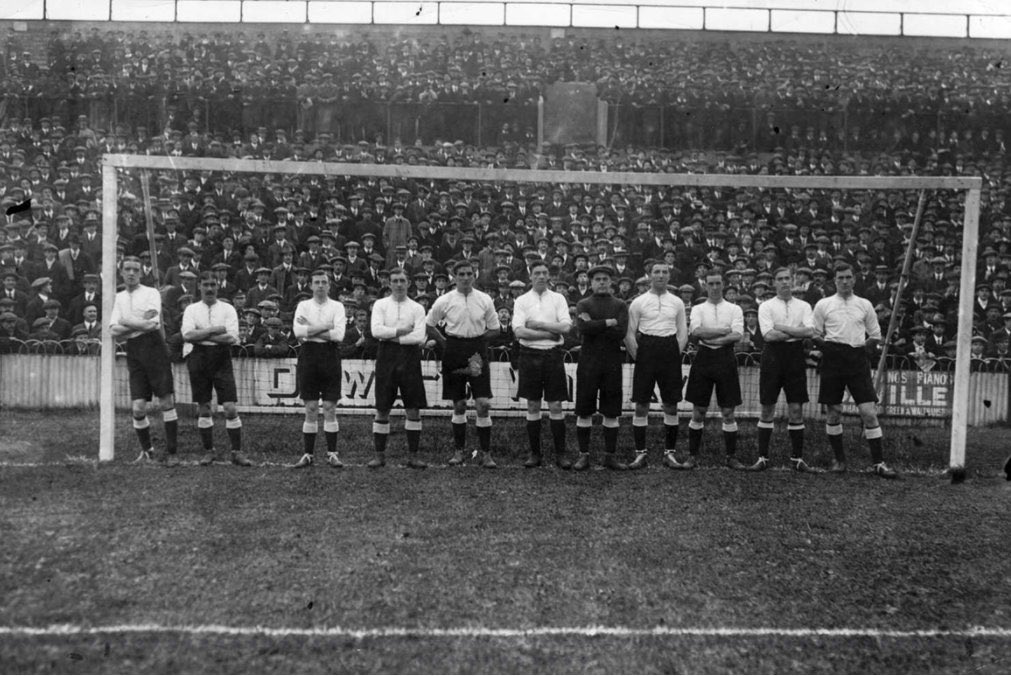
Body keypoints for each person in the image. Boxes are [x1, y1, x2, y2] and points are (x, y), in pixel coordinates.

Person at [812, 262, 898, 478]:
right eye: (840, 278)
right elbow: (814, 334)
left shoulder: (865, 304)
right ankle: (839, 460)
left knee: (868, 412)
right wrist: (828, 349)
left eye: (848, 277)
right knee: (833, 411)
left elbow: (876, 335)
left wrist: (861, 352)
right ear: (834, 280)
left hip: (857, 359)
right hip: (832, 359)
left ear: (854, 279)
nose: (844, 281)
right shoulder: (823, 304)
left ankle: (879, 463)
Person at [425, 259, 501, 468]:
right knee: (458, 404)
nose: (466, 278)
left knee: (483, 403)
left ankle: (486, 453)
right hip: (454, 351)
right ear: (454, 276)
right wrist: (445, 343)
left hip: (476, 353)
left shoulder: (484, 299)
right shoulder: (445, 300)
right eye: (461, 275)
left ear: (474, 275)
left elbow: (495, 329)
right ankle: (459, 451)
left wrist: (478, 342)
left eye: (469, 274)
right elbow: (429, 324)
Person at [108, 255, 179, 465]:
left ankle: (172, 452)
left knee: (166, 401)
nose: (131, 273)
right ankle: (147, 451)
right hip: (134, 351)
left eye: (135, 270)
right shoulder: (118, 297)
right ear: (121, 272)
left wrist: (126, 322)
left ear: (141, 272)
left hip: (155, 348)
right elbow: (113, 330)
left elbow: (153, 325)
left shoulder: (151, 293)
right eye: (127, 269)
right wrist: (136, 324)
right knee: (138, 407)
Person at [180, 273, 252, 467]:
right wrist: (214, 330)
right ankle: (208, 451)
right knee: (203, 407)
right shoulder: (191, 310)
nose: (209, 288)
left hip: (221, 359)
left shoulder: (227, 309)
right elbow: (187, 335)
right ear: (199, 287)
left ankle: (237, 452)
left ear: (218, 286)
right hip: (198, 358)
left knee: (229, 407)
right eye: (205, 285)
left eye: (213, 284)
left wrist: (201, 334)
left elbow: (231, 338)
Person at [624, 261, 689, 470]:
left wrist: (672, 354)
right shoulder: (639, 302)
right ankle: (640, 454)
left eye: (664, 272)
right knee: (641, 404)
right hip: (647, 350)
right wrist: (639, 356)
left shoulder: (677, 302)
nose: (660, 275)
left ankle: (669, 453)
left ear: (669, 276)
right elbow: (629, 333)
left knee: (671, 404)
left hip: (669, 349)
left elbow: (683, 333)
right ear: (649, 275)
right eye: (656, 272)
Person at [752, 267, 815, 472]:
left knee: (796, 409)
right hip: (772, 357)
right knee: (767, 407)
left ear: (793, 280)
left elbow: (810, 331)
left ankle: (797, 458)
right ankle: (763, 457)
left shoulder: (804, 306)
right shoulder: (766, 306)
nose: (785, 282)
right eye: (780, 279)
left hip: (795, 357)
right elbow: (768, 336)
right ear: (775, 283)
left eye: (788, 278)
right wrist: (796, 333)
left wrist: (784, 328)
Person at [511, 259, 572, 469]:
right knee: (533, 404)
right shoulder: (521, 300)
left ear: (549, 276)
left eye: (545, 273)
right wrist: (548, 333)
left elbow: (565, 327)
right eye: (537, 273)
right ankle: (535, 454)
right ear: (530, 275)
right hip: (529, 355)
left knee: (555, 405)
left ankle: (561, 454)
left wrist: (538, 324)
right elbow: (519, 331)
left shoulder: (558, 298)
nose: (541, 276)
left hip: (552, 355)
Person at [683, 271, 746, 470]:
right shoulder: (698, 308)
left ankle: (731, 456)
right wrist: (722, 331)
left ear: (723, 284)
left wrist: (713, 338)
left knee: (728, 411)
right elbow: (696, 332)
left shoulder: (734, 309)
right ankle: (692, 456)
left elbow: (737, 335)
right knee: (699, 411)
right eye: (711, 284)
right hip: (704, 358)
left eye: (718, 283)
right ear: (706, 286)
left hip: (726, 358)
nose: (715, 287)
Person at [368, 267, 429, 469]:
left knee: (413, 407)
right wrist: (401, 331)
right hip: (386, 357)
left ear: (409, 283)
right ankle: (379, 455)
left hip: (410, 358)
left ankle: (413, 456)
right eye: (395, 280)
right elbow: (375, 330)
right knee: (382, 407)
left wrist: (392, 335)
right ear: (389, 283)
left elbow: (419, 336)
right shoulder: (380, 304)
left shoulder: (417, 308)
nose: (399, 284)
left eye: (402, 280)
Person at [573, 265, 629, 471]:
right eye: (597, 279)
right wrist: (607, 322)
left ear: (611, 281)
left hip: (612, 362)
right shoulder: (583, 303)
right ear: (591, 282)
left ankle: (610, 456)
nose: (602, 282)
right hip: (588, 362)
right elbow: (583, 328)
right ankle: (584, 456)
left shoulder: (620, 305)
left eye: (605, 279)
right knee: (584, 410)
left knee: (611, 411)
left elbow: (620, 332)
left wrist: (595, 325)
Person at [291, 269, 347, 469]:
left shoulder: (338, 306)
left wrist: (312, 327)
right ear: (311, 285)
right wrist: (326, 326)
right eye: (317, 282)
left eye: (324, 282)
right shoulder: (303, 305)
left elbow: (339, 336)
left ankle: (332, 453)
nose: (321, 285)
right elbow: (298, 332)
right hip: (309, 356)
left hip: (330, 356)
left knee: (330, 408)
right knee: (311, 408)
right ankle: (308, 454)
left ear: (329, 285)